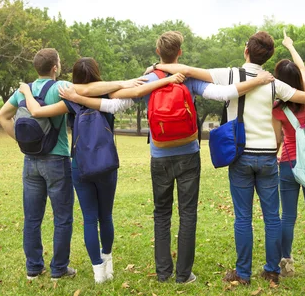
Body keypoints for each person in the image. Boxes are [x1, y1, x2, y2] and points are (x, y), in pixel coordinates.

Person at [113, 31, 275, 285]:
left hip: (159, 154)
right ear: (180, 53)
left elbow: (117, 99)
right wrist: (257, 81)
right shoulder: (188, 79)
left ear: (158, 53)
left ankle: (163, 272)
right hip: (188, 153)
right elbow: (225, 93)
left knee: (161, 213)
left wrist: (149, 80)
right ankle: (183, 274)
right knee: (187, 213)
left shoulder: (148, 78)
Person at [155, 31, 305, 285]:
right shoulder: (273, 82)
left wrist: (158, 66)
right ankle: (272, 271)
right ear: (268, 57)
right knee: (272, 217)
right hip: (267, 157)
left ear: (246, 51)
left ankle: (243, 274)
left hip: (240, 155)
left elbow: (188, 69)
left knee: (243, 217)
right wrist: (304, 76)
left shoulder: (231, 74)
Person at [17, 57, 184, 284]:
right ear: (97, 74)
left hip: (80, 165)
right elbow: (138, 92)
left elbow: (38, 111)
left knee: (89, 218)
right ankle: (108, 262)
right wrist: (157, 78)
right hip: (106, 164)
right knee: (106, 216)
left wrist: (26, 90)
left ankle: (98, 271)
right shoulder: (109, 97)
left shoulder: (68, 99)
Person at [0, 48, 147, 282]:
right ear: (55, 67)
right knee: (63, 217)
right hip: (56, 159)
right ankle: (59, 269)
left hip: (31, 161)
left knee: (32, 218)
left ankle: (34, 268)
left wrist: (22, 140)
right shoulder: (60, 89)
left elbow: (3, 116)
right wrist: (125, 81)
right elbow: (88, 90)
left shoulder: (24, 90)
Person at [271, 31, 305, 278]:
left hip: (288, 164)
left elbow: (278, 140)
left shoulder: (278, 108)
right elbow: (302, 70)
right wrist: (290, 46)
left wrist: (273, 155)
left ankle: (287, 264)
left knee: (288, 217)